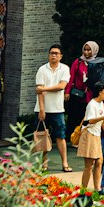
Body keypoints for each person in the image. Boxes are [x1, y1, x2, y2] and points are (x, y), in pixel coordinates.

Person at [35, 44, 72, 172]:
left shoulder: (65, 69)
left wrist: (44, 88)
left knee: (61, 136)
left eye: (56, 53)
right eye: (51, 53)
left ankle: (65, 163)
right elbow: (39, 92)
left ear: (61, 56)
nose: (54, 55)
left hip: (58, 109)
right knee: (42, 137)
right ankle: (43, 163)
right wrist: (41, 109)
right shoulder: (42, 69)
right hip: (43, 108)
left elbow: (61, 86)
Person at [64, 39, 95, 140]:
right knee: (74, 117)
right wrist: (67, 92)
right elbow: (71, 77)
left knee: (86, 118)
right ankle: (73, 138)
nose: (86, 52)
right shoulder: (78, 62)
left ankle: (83, 139)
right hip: (77, 95)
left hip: (90, 96)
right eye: (85, 50)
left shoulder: (97, 63)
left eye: (89, 50)